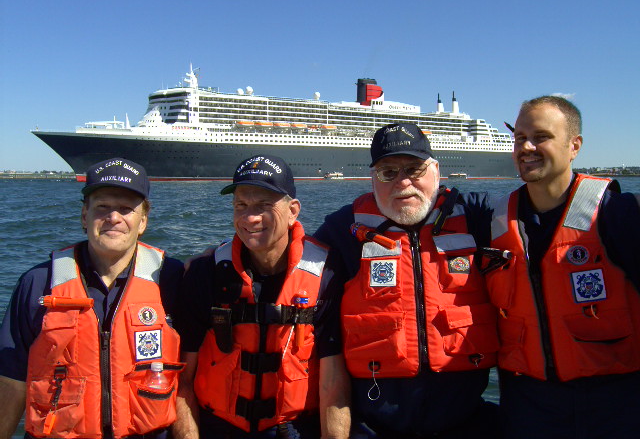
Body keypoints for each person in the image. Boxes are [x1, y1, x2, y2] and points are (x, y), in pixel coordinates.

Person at [314, 123, 501, 438]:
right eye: (388, 173)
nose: (403, 183)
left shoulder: (475, 217)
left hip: (467, 421)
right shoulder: (343, 230)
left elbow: (538, 207)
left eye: (414, 169)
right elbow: (289, 262)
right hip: (373, 426)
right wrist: (210, 262)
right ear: (373, 179)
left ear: (436, 170)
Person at [485, 96, 640, 438]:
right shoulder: (494, 219)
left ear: (574, 146)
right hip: (528, 405)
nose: (526, 147)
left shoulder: (619, 215)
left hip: (615, 405)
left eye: (540, 137)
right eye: (519, 137)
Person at [0, 158, 185, 439]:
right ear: (84, 216)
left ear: (143, 221)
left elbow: (191, 377)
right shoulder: (38, 284)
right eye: (102, 208)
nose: (113, 218)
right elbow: (11, 381)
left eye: (126, 209)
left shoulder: (173, 279)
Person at [173, 154, 350, 439]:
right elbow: (183, 380)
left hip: (294, 429)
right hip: (219, 427)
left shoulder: (326, 274)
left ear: (293, 211)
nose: (250, 218)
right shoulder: (205, 274)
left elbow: (333, 383)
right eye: (240, 205)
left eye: (263, 206)